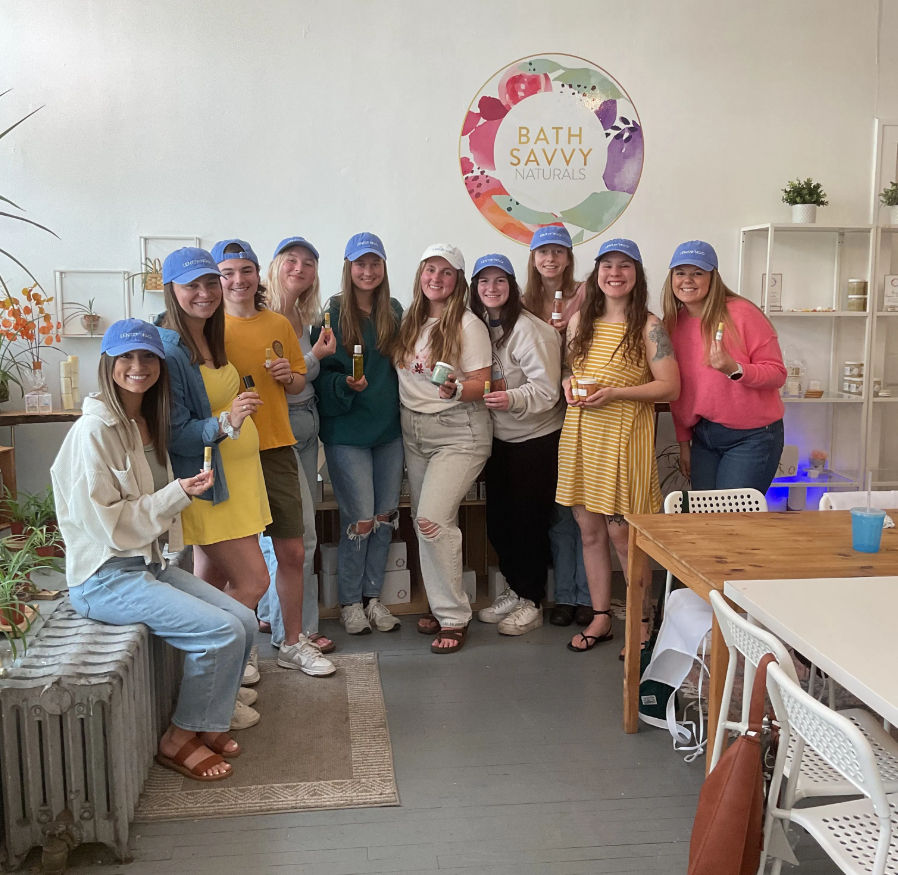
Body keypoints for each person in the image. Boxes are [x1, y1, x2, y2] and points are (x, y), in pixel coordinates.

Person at [51, 319, 257, 781]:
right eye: (126, 357)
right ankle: (179, 737)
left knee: (243, 621)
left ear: (160, 367)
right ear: (108, 364)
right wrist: (177, 493)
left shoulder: (144, 420)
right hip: (104, 577)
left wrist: (180, 492)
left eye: (147, 357)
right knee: (220, 633)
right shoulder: (93, 432)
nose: (138, 367)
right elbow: (111, 526)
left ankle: (207, 722)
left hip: (146, 564)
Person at [214, 239, 335, 677]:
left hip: (278, 447)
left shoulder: (279, 323)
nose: (238, 280)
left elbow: (299, 385)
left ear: (257, 273)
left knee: (293, 550)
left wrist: (290, 376)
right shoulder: (208, 329)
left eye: (245, 270)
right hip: (231, 454)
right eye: (228, 272)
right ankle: (242, 648)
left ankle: (292, 642)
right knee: (239, 561)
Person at [556, 239, 680, 654]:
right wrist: (568, 383)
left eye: (624, 266)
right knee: (589, 533)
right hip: (582, 434)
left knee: (624, 537)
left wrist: (616, 393)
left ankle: (642, 621)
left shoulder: (649, 325)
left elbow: (670, 386)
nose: (614, 273)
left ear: (636, 274)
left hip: (624, 436)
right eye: (606, 265)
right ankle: (601, 617)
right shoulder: (579, 322)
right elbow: (572, 373)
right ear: (596, 273)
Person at [393, 243, 492, 654]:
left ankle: (453, 615)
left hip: (459, 432)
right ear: (420, 275)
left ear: (458, 281)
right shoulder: (408, 321)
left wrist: (456, 389)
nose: (436, 278)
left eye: (446, 272)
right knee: (423, 521)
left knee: (433, 520)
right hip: (413, 432)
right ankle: (439, 601)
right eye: (429, 269)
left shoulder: (469, 325)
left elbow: (484, 383)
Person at [314, 232, 404, 635]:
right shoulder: (331, 314)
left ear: (384, 268)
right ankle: (350, 602)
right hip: (347, 431)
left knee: (385, 517)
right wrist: (343, 387)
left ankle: (374, 598)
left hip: (388, 430)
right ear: (348, 269)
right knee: (361, 519)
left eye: (374, 264)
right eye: (360, 264)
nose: (367, 272)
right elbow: (320, 376)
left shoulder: (395, 312)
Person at [470, 253, 563, 636]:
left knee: (529, 523)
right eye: (483, 282)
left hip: (536, 439)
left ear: (512, 287)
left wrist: (511, 398)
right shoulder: (478, 327)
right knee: (500, 522)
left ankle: (532, 600)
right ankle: (515, 587)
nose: (491, 289)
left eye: (499, 281)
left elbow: (547, 390)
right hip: (499, 440)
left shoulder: (531, 330)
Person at [257, 236, 337, 654]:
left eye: (308, 263)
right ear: (275, 265)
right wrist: (317, 358)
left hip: (307, 426)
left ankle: (275, 612)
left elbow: (299, 379)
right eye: (292, 260)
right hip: (278, 429)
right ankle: (298, 631)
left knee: (290, 534)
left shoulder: (305, 319)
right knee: (295, 536)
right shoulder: (262, 317)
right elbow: (278, 380)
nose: (300, 269)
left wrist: (316, 357)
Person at [661, 240, 786, 493]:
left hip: (752, 437)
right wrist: (685, 444)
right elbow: (680, 392)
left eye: (698, 273)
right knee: (706, 520)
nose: (688, 280)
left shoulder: (742, 313)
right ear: (671, 277)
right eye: (681, 272)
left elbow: (777, 373)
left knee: (732, 522)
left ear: (713, 278)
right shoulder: (672, 324)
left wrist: (735, 369)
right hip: (704, 437)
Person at [522, 225, 590, 627]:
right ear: (533, 258)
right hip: (542, 419)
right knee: (560, 509)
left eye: (558, 252)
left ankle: (589, 595)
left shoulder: (588, 293)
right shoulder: (523, 301)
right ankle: (564, 595)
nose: (550, 259)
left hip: (584, 411)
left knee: (586, 508)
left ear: (568, 257)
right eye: (543, 252)